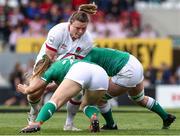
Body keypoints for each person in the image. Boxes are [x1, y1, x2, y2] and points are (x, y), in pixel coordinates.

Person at [64, 47, 176, 130]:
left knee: (99, 98)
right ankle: (165, 117)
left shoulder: (85, 59)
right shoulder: (93, 50)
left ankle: (111, 125)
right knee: (139, 99)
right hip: (135, 63)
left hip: (126, 71)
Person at [26, 3, 97, 131]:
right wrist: (45, 84)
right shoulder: (57, 31)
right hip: (46, 64)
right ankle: (33, 112)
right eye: (77, 28)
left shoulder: (88, 41)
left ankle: (69, 124)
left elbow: (76, 66)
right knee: (33, 94)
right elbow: (50, 58)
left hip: (67, 68)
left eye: (84, 28)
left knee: (78, 91)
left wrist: (57, 84)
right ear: (70, 23)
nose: (80, 32)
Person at [17, 55, 109, 133]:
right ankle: (93, 117)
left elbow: (33, 89)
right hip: (101, 74)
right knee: (87, 104)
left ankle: (36, 123)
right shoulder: (62, 64)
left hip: (80, 70)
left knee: (55, 101)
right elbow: (63, 83)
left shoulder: (51, 68)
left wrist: (26, 89)